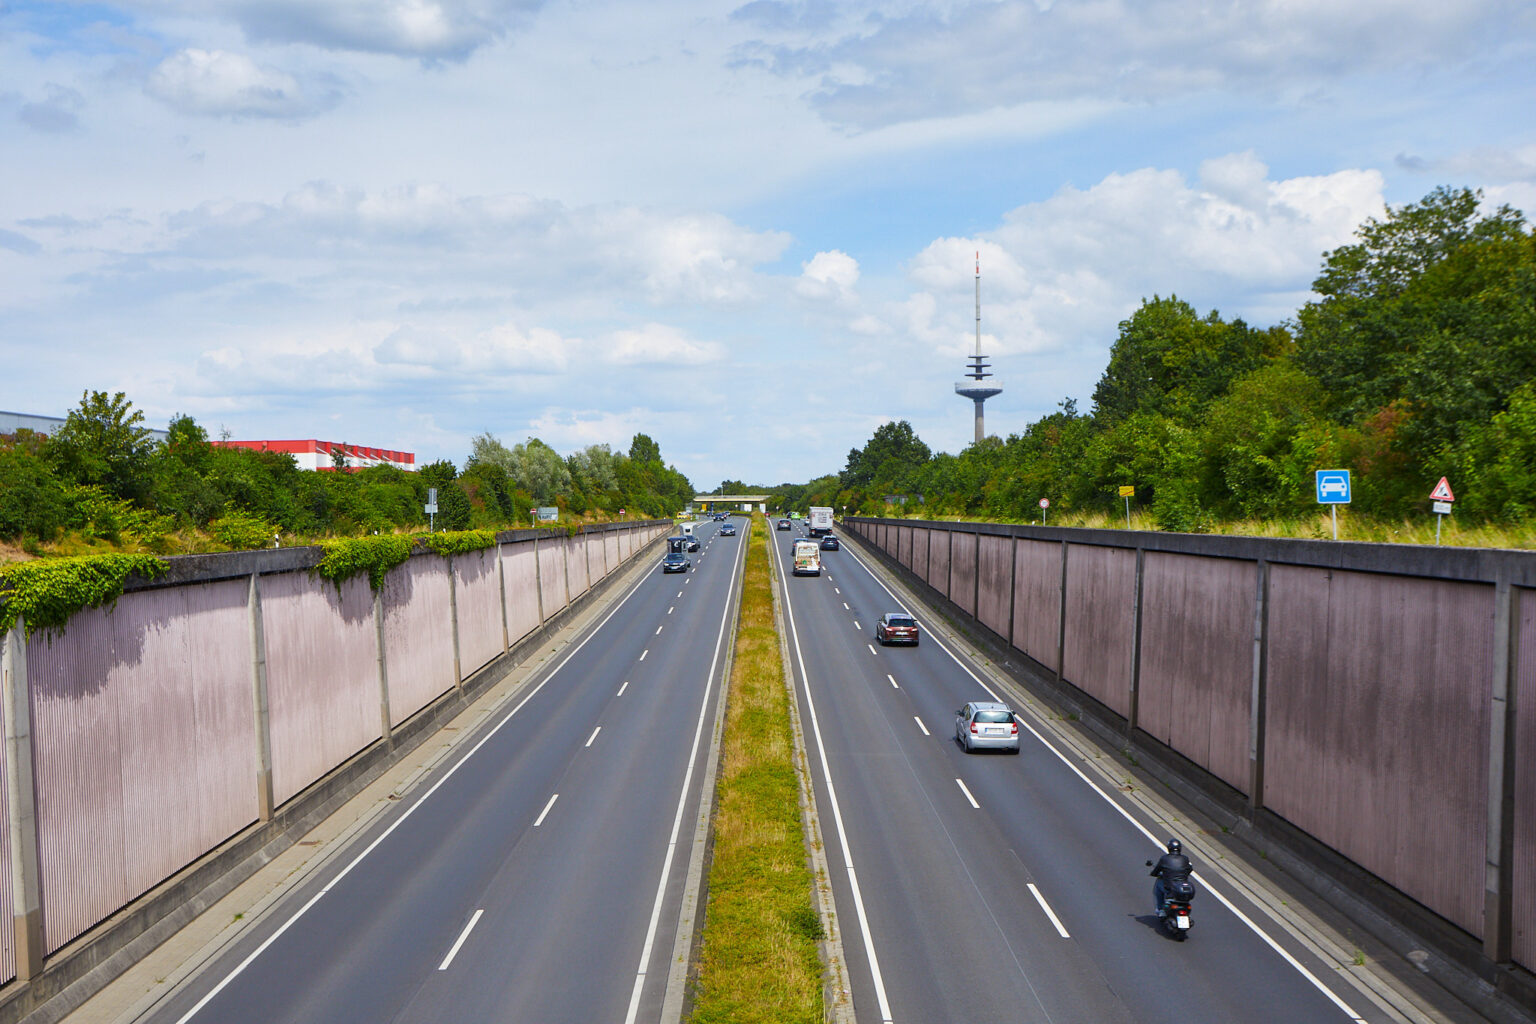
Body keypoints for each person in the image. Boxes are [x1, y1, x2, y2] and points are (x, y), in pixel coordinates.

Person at [1149, 838, 1193, 917]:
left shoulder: (1164, 859)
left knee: (1158, 888)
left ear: (1169, 848)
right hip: (1181, 888)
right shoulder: (1185, 859)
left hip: (1169, 888)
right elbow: (1190, 869)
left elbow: (1156, 870)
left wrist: (1153, 873)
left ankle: (1160, 908)